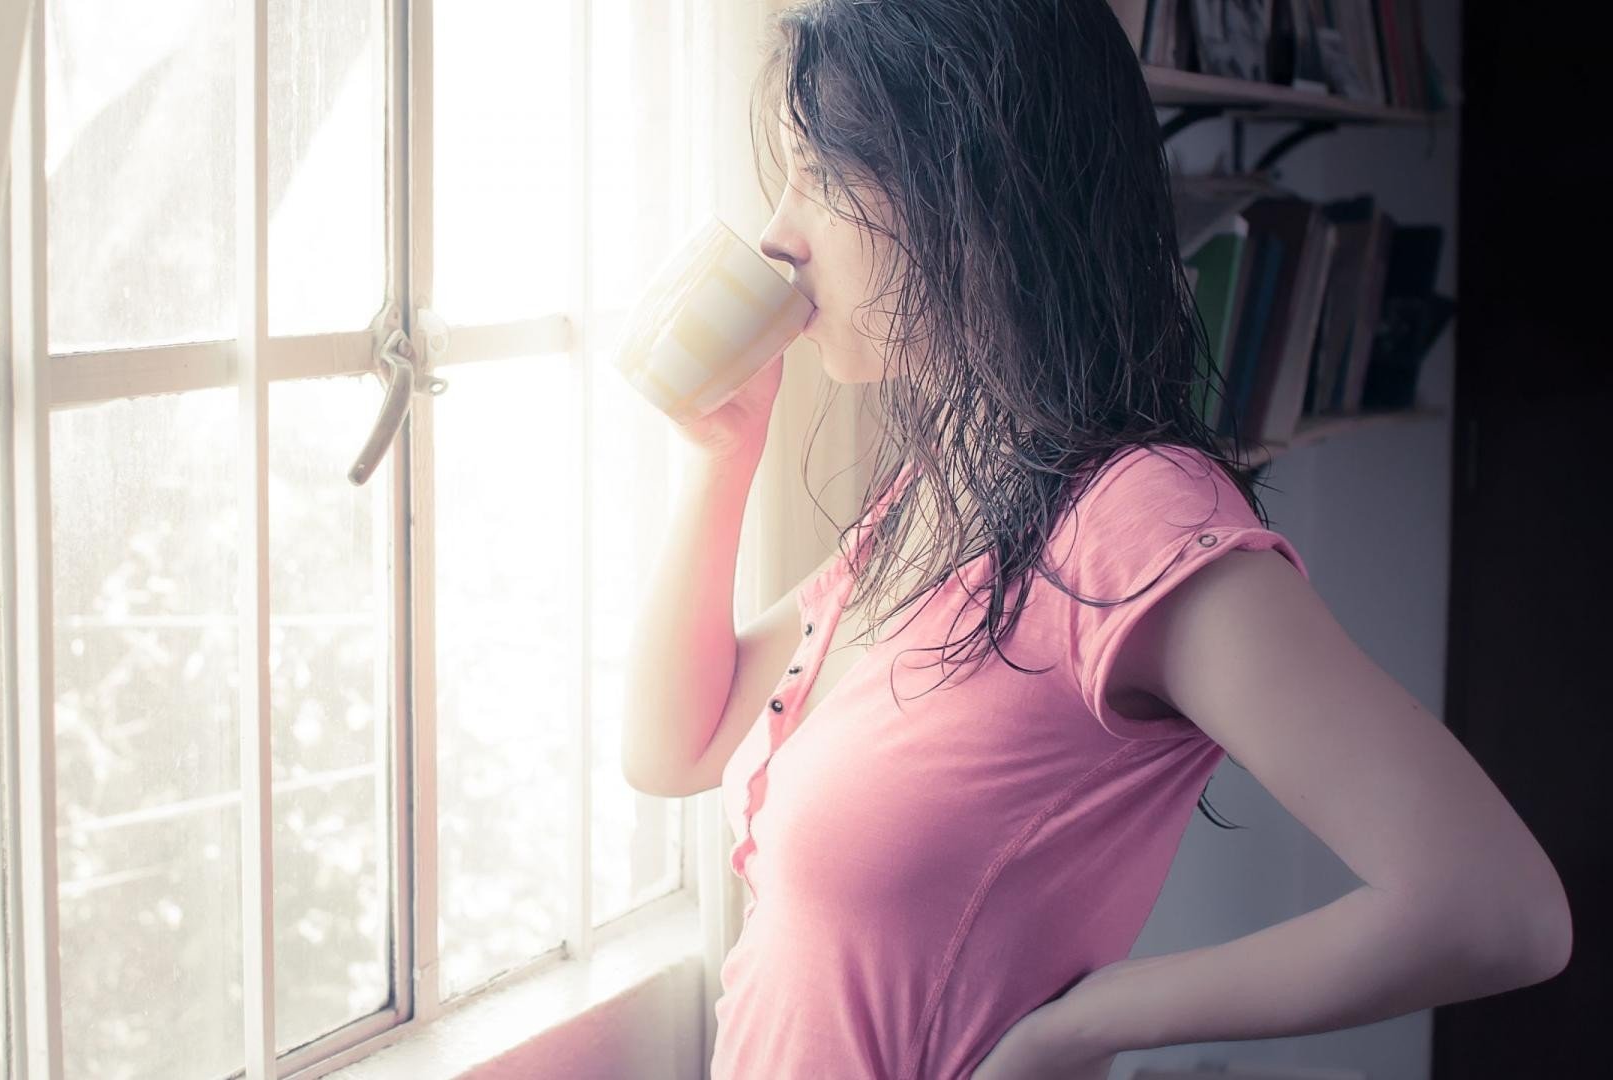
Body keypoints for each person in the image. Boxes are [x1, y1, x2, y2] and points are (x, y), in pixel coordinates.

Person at [618, 2, 1571, 1078]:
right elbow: (674, 746)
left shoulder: (1136, 518)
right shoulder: (946, 495)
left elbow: (1498, 907)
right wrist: (721, 457)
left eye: (820, 176)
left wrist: (1094, 1018)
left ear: (969, 183)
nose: (779, 235)